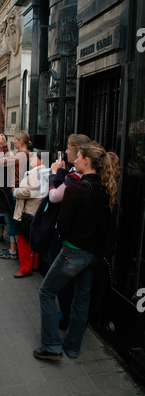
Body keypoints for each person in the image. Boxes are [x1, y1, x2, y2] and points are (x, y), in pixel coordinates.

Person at [33, 141, 120, 360]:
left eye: (78, 155)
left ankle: (51, 345)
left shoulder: (76, 188)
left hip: (73, 251)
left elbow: (62, 225)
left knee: (46, 291)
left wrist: (66, 237)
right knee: (81, 299)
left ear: (86, 161)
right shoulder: (106, 186)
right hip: (94, 254)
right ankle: (72, 346)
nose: (75, 159)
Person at [48, 134, 91, 329]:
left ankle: (63, 318)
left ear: (79, 153)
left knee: (57, 285)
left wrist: (54, 174)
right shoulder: (78, 174)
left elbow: (54, 197)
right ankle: (68, 320)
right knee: (79, 290)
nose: (65, 151)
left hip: (70, 240)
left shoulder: (76, 177)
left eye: (69, 147)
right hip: (83, 241)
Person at [0, 131, 32, 260]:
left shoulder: (22, 155)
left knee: (13, 221)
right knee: (11, 219)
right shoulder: (22, 154)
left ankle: (13, 250)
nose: (13, 141)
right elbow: (7, 159)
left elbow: (0, 162)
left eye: (15, 139)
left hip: (15, 190)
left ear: (21, 141)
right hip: (15, 188)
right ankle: (13, 248)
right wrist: (4, 146)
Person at [12, 149, 48, 277]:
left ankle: (25, 268)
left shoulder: (37, 172)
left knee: (23, 239)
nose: (31, 159)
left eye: (33, 157)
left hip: (28, 211)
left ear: (40, 159)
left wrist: (16, 191)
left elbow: (29, 192)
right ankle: (33, 265)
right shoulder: (43, 172)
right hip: (35, 210)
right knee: (32, 239)